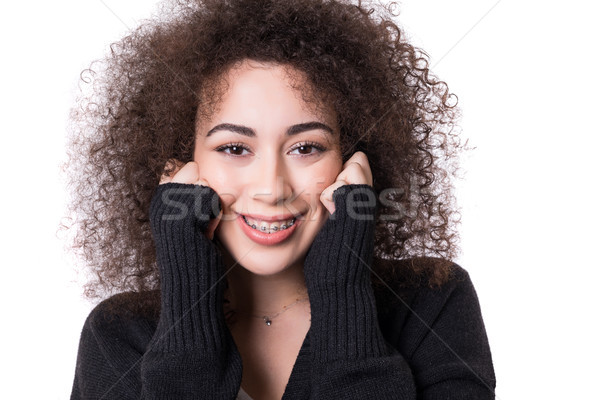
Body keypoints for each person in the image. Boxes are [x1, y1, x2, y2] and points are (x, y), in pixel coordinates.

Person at [64, 0, 495, 398]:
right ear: (179, 173)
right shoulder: (118, 334)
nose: (272, 187)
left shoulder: (431, 304)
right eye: (234, 148)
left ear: (352, 163)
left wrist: (342, 291)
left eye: (306, 148)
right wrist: (187, 299)